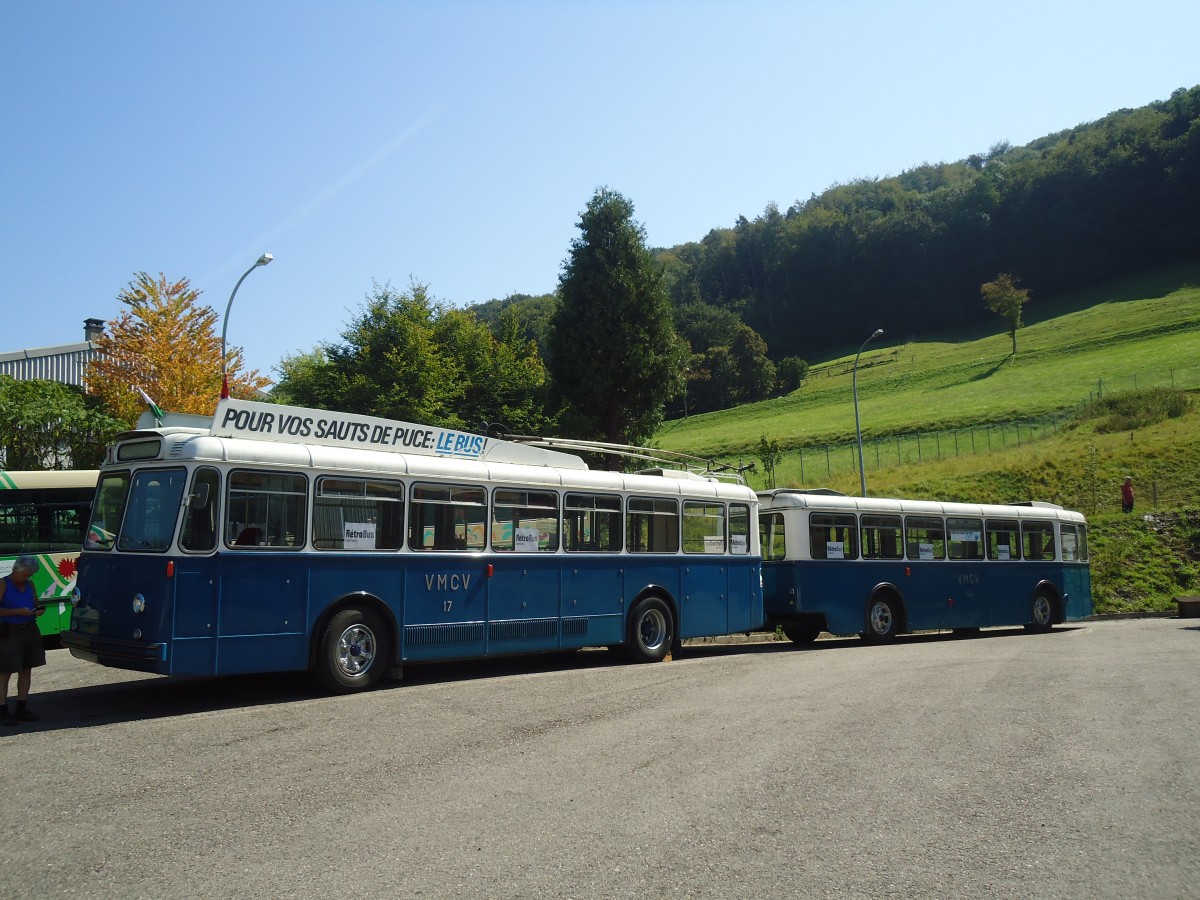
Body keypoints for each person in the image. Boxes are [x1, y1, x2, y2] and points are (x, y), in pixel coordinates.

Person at [0, 556, 47, 726]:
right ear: (15, 569)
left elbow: (34, 603)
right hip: (8, 631)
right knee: (5, 672)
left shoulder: (30, 585)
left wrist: (38, 610)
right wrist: (17, 611)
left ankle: (21, 707)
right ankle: (2, 710)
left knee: (26, 670)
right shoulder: (3, 584)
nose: (26, 578)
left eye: (29, 575)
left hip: (29, 629)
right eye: (24, 574)